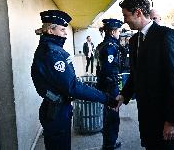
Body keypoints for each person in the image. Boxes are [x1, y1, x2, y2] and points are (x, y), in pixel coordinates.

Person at [31, 10, 118, 150]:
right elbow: (72, 86)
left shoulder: (50, 49)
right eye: (62, 29)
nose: (65, 33)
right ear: (50, 30)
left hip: (56, 108)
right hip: (57, 110)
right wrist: (106, 98)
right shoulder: (53, 53)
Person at [116, 0, 174, 150]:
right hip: (146, 117)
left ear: (138, 13)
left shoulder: (166, 35)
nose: (125, 20)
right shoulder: (134, 41)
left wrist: (173, 121)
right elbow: (135, 74)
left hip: (165, 118)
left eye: (126, 15)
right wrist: (124, 95)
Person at [96, 18, 123, 150]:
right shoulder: (110, 47)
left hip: (106, 85)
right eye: (119, 31)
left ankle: (108, 142)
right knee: (112, 117)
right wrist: (112, 87)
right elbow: (107, 69)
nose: (120, 34)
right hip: (110, 86)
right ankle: (109, 144)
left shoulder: (103, 44)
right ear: (112, 32)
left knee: (109, 115)